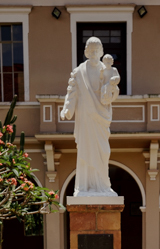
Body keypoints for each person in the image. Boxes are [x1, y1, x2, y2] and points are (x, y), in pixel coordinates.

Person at [59, 37, 117, 196]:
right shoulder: (79, 72)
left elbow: (112, 92)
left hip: (101, 117)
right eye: (90, 50)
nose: (93, 53)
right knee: (85, 150)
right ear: (85, 52)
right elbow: (72, 93)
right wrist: (67, 109)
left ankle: (103, 185)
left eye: (96, 50)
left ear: (101, 52)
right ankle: (84, 187)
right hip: (85, 117)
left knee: (103, 152)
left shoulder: (105, 70)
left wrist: (112, 91)